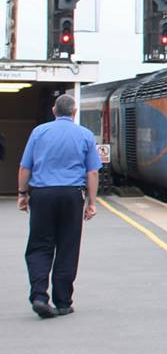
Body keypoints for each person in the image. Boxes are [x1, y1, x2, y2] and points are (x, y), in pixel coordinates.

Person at [17, 94, 102, 319]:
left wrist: (22, 194)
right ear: (74, 113)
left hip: (42, 195)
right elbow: (92, 172)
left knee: (39, 246)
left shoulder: (39, 132)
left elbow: (25, 167)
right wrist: (91, 203)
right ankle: (63, 302)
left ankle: (39, 296)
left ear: (54, 111)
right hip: (71, 195)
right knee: (67, 247)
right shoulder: (84, 135)